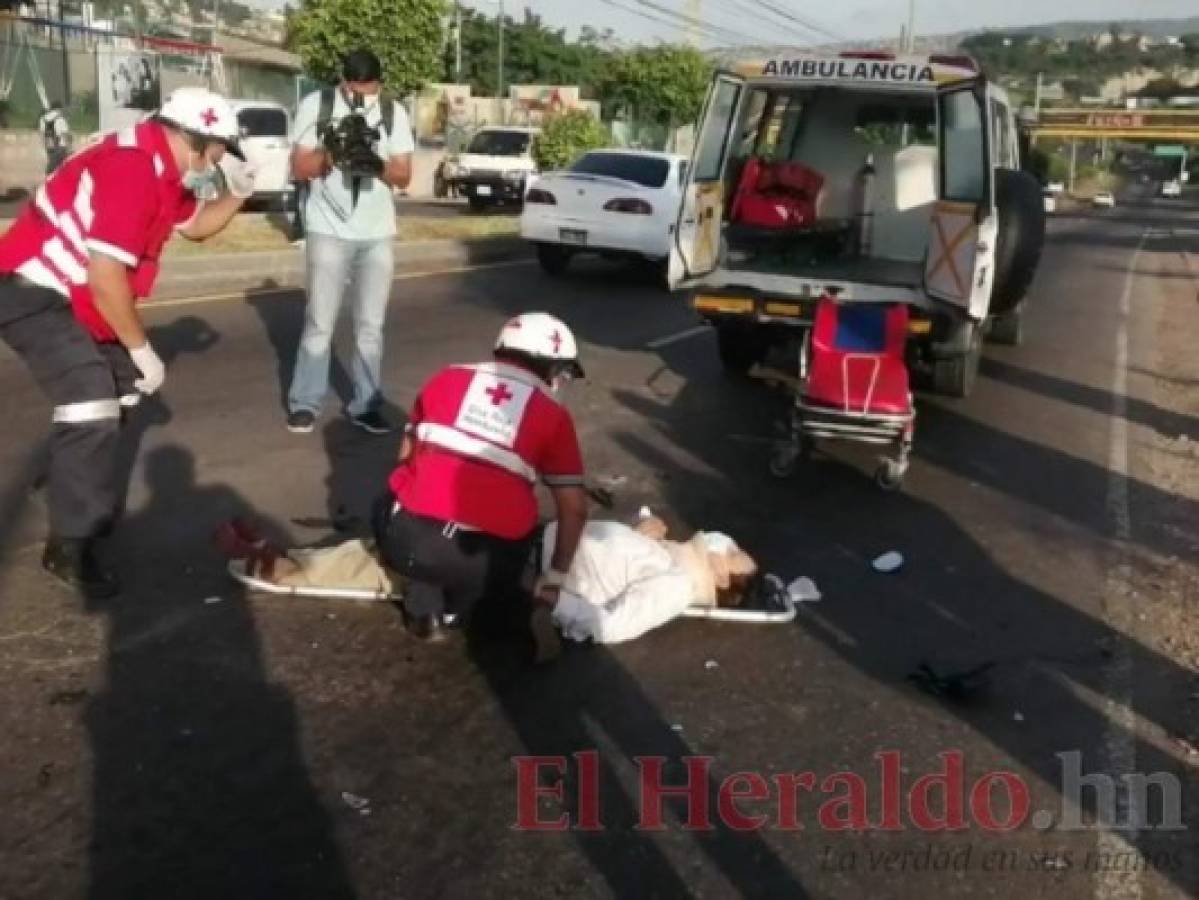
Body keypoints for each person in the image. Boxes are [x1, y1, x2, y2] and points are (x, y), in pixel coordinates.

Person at [0, 86, 256, 598]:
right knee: (92, 401)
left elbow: (196, 225)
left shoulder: (163, 166)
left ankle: (66, 478)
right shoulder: (132, 168)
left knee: (123, 391)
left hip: (75, 297)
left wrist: (239, 193)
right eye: (221, 153)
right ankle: (70, 544)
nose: (219, 162)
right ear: (198, 141)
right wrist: (143, 349)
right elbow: (106, 277)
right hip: (31, 291)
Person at [373, 312, 590, 642]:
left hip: (408, 542)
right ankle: (461, 610)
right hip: (486, 562)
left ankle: (424, 605)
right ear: (552, 369)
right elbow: (573, 509)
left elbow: (405, 456)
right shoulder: (553, 415)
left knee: (390, 501)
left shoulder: (447, 377)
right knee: (509, 552)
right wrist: (557, 575)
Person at [286, 49, 415, 436]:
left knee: (371, 325)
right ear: (343, 80)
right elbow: (299, 166)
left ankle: (366, 404)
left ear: (379, 81)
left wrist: (374, 162)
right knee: (320, 322)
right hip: (328, 228)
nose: (362, 93)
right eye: (355, 86)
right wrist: (332, 153)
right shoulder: (318, 105)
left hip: (376, 232)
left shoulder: (394, 113)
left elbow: (404, 176)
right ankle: (305, 402)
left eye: (369, 87)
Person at [37, 102, 72, 174]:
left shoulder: (43, 119)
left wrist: (44, 144)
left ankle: (51, 178)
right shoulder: (61, 119)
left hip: (49, 145)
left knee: (52, 163)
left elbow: (42, 133)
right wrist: (69, 146)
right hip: (60, 145)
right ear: (59, 109)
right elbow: (65, 134)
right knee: (62, 167)